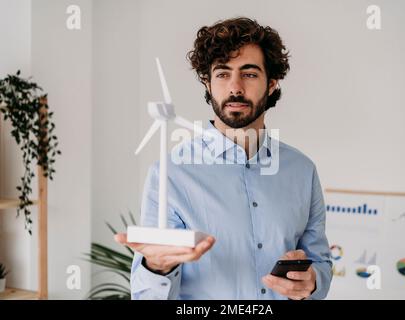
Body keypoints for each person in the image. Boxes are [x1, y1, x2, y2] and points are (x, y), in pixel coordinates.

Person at [115, 17, 332, 300]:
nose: (235, 87)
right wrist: (156, 267)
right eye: (222, 74)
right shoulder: (170, 174)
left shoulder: (302, 171)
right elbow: (147, 297)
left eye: (250, 74)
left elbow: (321, 263)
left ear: (272, 84)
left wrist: (312, 281)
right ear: (207, 83)